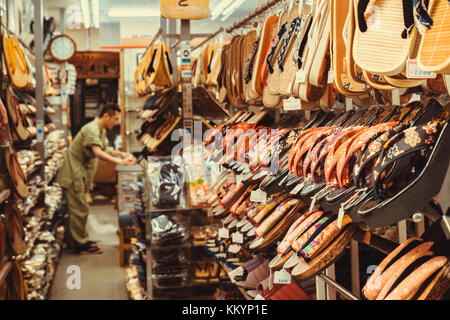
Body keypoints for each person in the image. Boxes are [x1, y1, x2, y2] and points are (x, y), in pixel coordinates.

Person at [56, 104, 136, 254]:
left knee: (82, 208)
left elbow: (106, 149)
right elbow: (98, 152)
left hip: (81, 175)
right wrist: (119, 162)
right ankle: (81, 245)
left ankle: (82, 240)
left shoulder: (100, 130)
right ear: (106, 116)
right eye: (115, 119)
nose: (116, 123)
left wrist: (122, 154)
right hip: (74, 175)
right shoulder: (92, 129)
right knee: (79, 210)